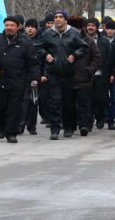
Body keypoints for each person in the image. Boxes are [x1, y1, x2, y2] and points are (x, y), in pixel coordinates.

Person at [35, 10, 89, 140]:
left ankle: (68, 127)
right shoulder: (48, 34)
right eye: (56, 17)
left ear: (65, 20)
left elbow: (84, 47)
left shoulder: (73, 33)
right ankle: (55, 129)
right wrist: (45, 55)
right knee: (55, 101)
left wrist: (75, 55)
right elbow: (38, 47)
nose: (58, 19)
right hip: (53, 73)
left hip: (69, 73)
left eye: (61, 17)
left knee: (68, 102)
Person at [0, 15, 39, 143]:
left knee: (14, 109)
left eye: (12, 25)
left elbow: (32, 62)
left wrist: (34, 77)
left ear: (18, 27)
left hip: (17, 81)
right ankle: (1, 125)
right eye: (7, 25)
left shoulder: (25, 42)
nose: (9, 28)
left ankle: (11, 133)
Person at [66, 16, 101, 136]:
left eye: (78, 27)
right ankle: (69, 126)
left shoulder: (89, 41)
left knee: (84, 104)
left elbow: (96, 57)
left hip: (84, 78)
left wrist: (89, 70)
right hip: (67, 77)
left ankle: (84, 125)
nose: (75, 30)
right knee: (68, 104)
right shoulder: (64, 40)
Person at [86, 17, 112, 130]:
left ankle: (100, 118)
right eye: (89, 25)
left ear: (97, 27)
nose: (90, 27)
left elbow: (110, 57)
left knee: (101, 98)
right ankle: (88, 121)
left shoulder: (104, 41)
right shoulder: (81, 39)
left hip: (101, 75)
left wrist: (110, 73)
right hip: (86, 74)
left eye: (93, 25)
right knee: (87, 99)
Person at [23, 18, 42, 135]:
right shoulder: (21, 39)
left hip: (35, 73)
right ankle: (20, 125)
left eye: (32, 26)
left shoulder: (41, 40)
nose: (30, 28)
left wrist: (39, 75)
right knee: (21, 101)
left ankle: (32, 126)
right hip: (21, 74)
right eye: (28, 26)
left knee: (33, 101)